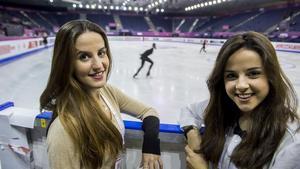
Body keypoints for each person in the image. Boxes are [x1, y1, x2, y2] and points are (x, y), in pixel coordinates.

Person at [40, 20, 163, 169]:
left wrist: (151, 145)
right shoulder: (64, 131)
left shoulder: (107, 92)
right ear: (66, 63)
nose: (99, 65)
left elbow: (148, 111)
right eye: (84, 56)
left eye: (101, 53)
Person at [179, 31, 300, 169]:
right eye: (231, 76)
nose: (241, 85)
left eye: (253, 73)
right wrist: (192, 134)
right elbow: (189, 111)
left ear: (270, 76)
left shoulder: (291, 142)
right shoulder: (224, 107)